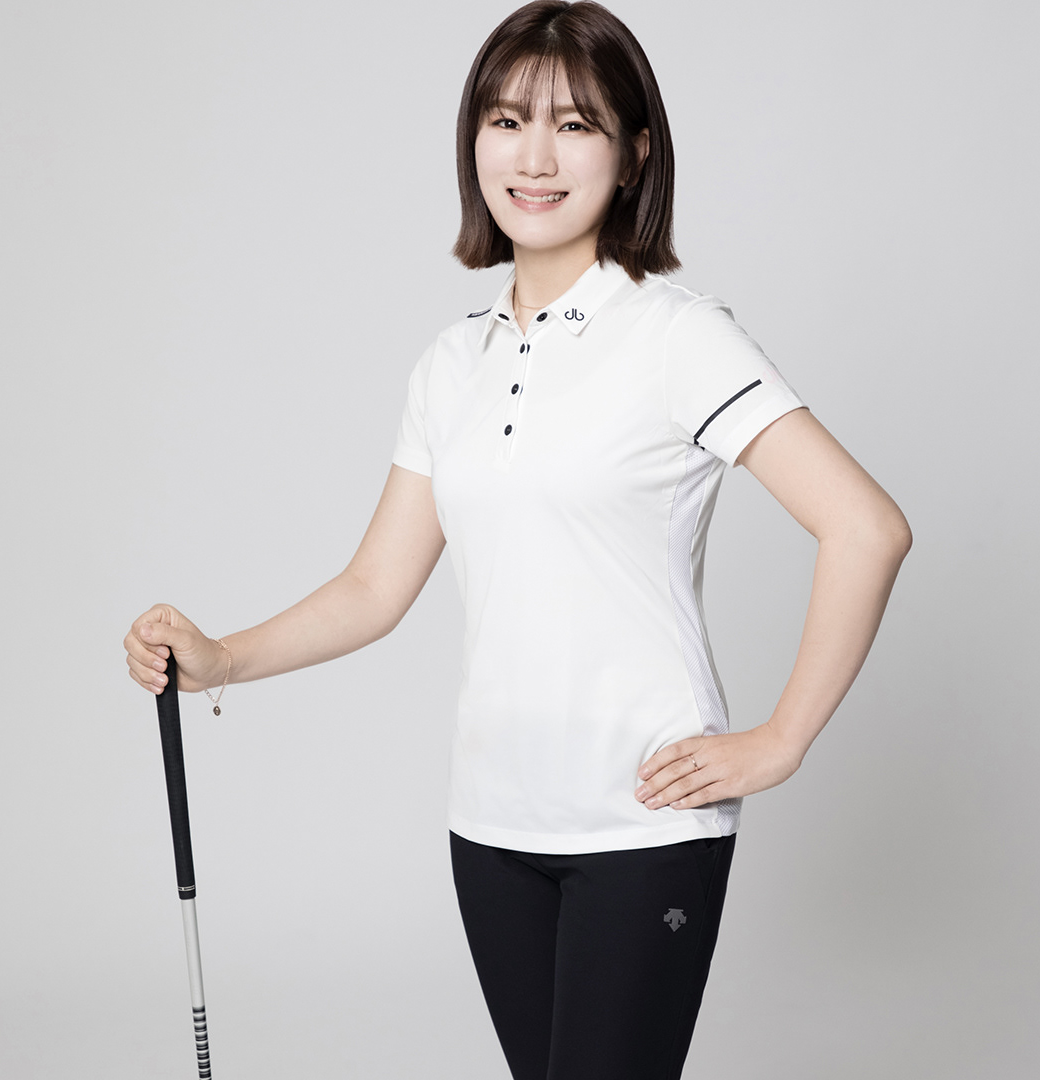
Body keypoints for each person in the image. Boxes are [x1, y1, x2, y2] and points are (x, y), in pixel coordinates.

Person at [125, 3, 912, 1077]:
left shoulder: (676, 336)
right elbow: (374, 587)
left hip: (641, 831)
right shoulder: (451, 364)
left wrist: (779, 740)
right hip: (491, 832)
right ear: (474, 143)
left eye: (575, 125)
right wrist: (220, 659)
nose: (534, 157)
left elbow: (865, 527)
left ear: (635, 153)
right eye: (507, 121)